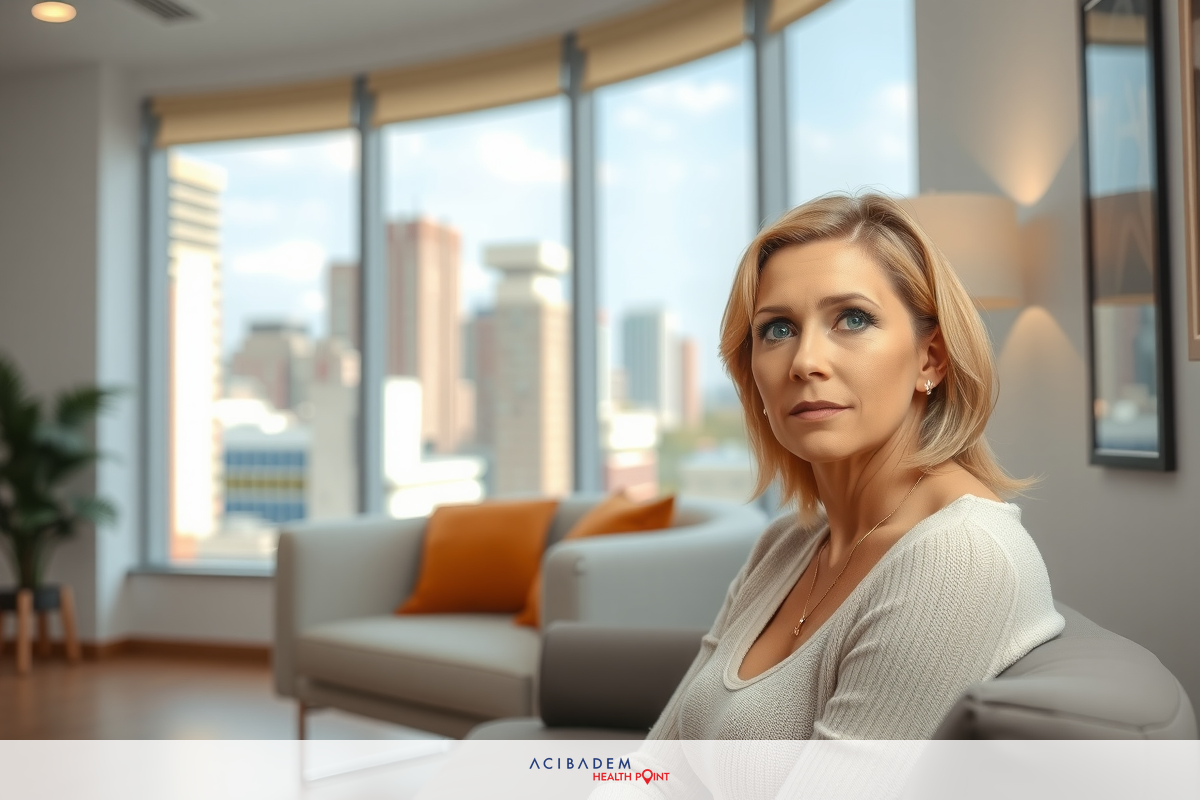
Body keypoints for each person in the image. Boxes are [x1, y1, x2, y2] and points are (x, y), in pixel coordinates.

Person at [590, 193, 1064, 799]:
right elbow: (655, 769)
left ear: (931, 357)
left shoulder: (961, 560)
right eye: (778, 329)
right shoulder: (786, 545)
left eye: (853, 319)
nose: (806, 360)